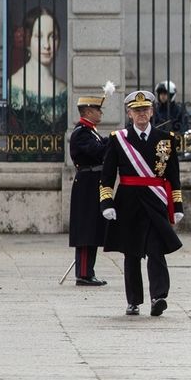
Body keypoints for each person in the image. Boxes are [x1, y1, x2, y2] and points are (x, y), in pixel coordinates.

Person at [99, 90, 184, 316]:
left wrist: (177, 207)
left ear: (152, 111)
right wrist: (107, 203)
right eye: (137, 111)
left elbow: (173, 176)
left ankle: (159, 297)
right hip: (129, 202)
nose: (141, 114)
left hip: (156, 202)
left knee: (156, 250)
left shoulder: (166, 139)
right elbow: (107, 176)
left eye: (145, 110)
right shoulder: (119, 140)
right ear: (129, 114)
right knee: (132, 253)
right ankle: (134, 301)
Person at [68, 84, 113, 286]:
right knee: (86, 230)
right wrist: (113, 141)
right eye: (97, 109)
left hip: (92, 183)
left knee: (93, 228)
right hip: (86, 184)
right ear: (87, 111)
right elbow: (96, 151)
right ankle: (83, 274)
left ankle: (88, 271)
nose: (100, 113)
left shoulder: (91, 132)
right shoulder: (81, 133)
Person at [9, 6, 67, 133]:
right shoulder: (14, 83)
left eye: (53, 37)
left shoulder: (63, 89)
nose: (46, 45)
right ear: (28, 39)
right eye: (39, 36)